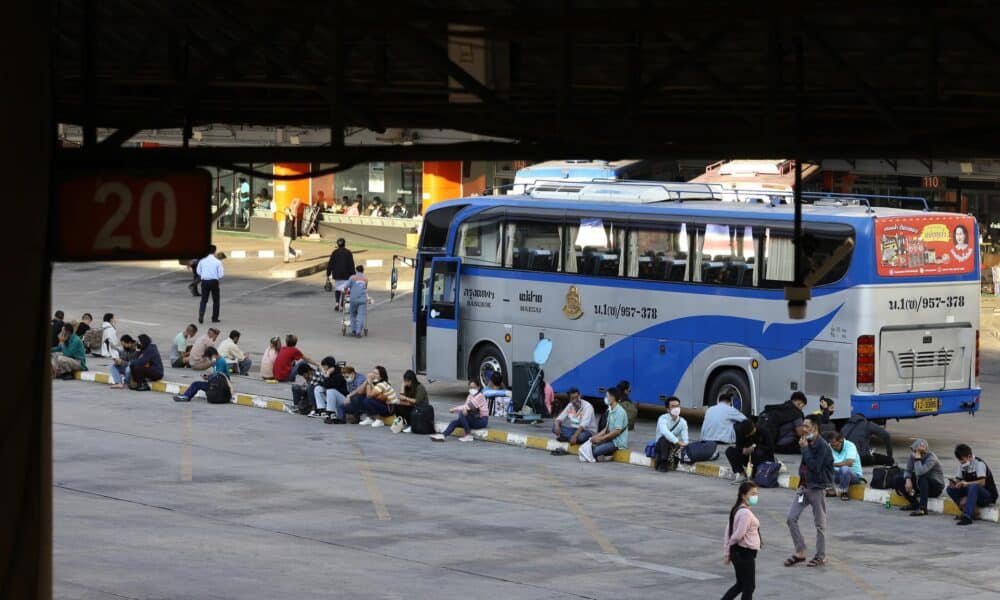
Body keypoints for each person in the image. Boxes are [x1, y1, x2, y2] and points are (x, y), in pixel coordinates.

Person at [784, 415, 833, 568]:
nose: (803, 429)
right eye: (803, 426)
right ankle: (800, 551)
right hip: (804, 487)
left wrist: (805, 449)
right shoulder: (807, 442)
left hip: (817, 488)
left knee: (820, 524)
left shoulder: (822, 446)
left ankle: (820, 556)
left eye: (806, 426)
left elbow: (815, 467)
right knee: (791, 518)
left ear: (815, 428)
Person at [722, 481, 761, 600]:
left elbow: (728, 531)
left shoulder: (738, 509)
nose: (755, 496)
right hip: (744, 553)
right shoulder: (745, 513)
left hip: (739, 552)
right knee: (749, 586)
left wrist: (728, 552)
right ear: (743, 496)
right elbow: (737, 535)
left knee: (741, 585)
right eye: (752, 494)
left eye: (756, 493)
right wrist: (729, 549)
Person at [946, 444, 998, 526]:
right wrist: (954, 482)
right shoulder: (962, 465)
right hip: (972, 493)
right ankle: (970, 510)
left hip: (987, 496)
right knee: (950, 489)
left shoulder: (979, 464)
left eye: (962, 460)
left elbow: (982, 482)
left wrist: (966, 484)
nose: (961, 462)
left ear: (969, 456)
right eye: (959, 460)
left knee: (973, 486)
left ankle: (967, 516)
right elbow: (958, 479)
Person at [891, 438, 945, 517]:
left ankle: (923, 509)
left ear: (923, 451)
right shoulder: (913, 455)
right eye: (913, 450)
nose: (913, 453)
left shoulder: (932, 458)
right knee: (898, 479)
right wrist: (907, 479)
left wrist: (917, 458)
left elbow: (920, 472)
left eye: (916, 451)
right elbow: (908, 470)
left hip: (935, 488)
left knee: (923, 478)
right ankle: (914, 503)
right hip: (921, 485)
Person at [578, 386, 628, 462]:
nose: (606, 398)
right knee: (590, 446)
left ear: (612, 397)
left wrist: (601, 439)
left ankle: (606, 453)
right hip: (609, 439)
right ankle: (606, 454)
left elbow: (617, 431)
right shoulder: (610, 410)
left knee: (595, 451)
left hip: (617, 442)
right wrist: (595, 437)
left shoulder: (619, 412)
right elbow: (606, 429)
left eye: (607, 396)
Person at [727, 420, 774, 485]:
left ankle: (754, 476)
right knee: (730, 451)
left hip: (760, 459)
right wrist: (743, 450)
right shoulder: (741, 432)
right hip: (748, 458)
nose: (749, 436)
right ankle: (742, 474)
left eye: (750, 434)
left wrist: (755, 447)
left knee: (758, 452)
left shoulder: (763, 431)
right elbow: (738, 446)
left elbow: (770, 449)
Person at [654, 396, 689, 472]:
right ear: (668, 409)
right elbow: (665, 432)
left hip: (673, 447)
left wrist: (684, 444)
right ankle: (663, 462)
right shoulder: (662, 419)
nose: (676, 408)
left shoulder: (683, 422)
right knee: (664, 439)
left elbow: (685, 438)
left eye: (677, 406)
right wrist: (677, 441)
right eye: (673, 406)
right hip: (660, 445)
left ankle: (672, 460)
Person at [310, 356, 348, 421]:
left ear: (327, 366)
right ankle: (321, 411)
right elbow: (324, 385)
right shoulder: (330, 372)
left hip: (343, 399)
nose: (323, 368)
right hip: (333, 399)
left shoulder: (339, 374)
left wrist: (327, 375)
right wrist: (326, 376)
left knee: (331, 391)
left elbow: (330, 386)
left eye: (324, 366)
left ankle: (331, 413)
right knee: (318, 388)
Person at [829, 432, 863, 501]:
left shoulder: (850, 445)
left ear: (841, 440)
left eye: (836, 445)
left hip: (854, 476)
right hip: (838, 475)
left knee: (845, 468)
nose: (834, 448)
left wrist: (832, 464)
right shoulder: (829, 446)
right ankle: (830, 490)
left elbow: (849, 463)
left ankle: (843, 492)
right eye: (832, 446)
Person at [325, 237, 356, 310]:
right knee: (344, 290)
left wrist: (328, 273)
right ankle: (342, 305)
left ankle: (337, 303)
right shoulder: (348, 252)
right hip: (346, 275)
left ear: (337, 244)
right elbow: (351, 264)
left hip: (337, 274)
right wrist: (353, 274)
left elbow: (330, 264)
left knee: (338, 288)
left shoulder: (334, 252)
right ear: (345, 244)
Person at [196, 245, 224, 324]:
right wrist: (216, 277)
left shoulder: (202, 261)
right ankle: (214, 318)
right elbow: (221, 274)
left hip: (204, 281)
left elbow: (198, 272)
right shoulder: (218, 261)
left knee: (203, 300)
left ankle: (201, 315)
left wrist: (204, 275)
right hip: (214, 281)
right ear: (215, 251)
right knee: (216, 301)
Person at [347, 265, 369, 337]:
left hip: (353, 299)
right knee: (361, 315)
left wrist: (346, 292)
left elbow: (346, 286)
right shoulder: (365, 279)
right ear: (363, 271)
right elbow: (365, 287)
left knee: (353, 314)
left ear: (356, 270)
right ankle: (358, 332)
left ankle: (353, 330)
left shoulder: (352, 277)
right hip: (363, 299)